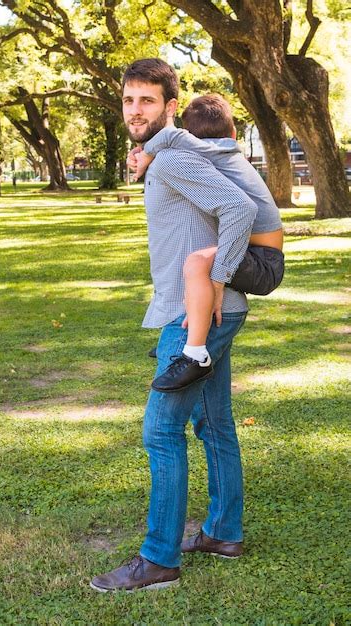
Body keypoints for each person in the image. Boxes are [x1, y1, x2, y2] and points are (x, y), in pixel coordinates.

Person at [90, 58, 258, 593]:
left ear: (169, 105)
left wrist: (214, 282)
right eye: (128, 100)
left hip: (197, 312)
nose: (135, 110)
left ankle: (159, 558)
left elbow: (237, 209)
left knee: (161, 430)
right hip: (216, 307)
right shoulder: (173, 152)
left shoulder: (172, 161)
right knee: (214, 424)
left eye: (147, 100)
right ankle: (223, 532)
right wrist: (147, 157)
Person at [129, 94, 284, 392]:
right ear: (234, 132)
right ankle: (175, 343)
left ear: (191, 136)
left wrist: (147, 150)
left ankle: (194, 354)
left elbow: (171, 136)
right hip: (261, 254)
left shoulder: (210, 150)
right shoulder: (223, 153)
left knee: (198, 262)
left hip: (265, 262)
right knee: (198, 259)